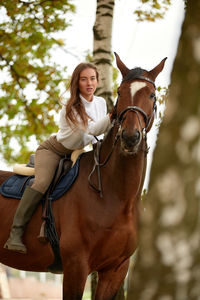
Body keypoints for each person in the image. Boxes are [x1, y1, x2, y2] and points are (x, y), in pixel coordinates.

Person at [4, 62, 111, 254]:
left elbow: (99, 136)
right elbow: (91, 130)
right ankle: (15, 233)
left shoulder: (101, 103)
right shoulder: (70, 106)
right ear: (77, 82)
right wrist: (114, 117)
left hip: (76, 152)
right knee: (42, 182)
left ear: (98, 81)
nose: (89, 83)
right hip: (53, 150)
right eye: (84, 79)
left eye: (93, 79)